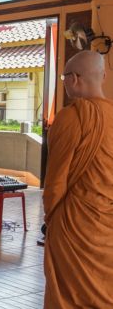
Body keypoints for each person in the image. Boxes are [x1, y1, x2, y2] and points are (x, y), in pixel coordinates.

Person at [44, 50, 113, 308]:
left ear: (73, 79)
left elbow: (56, 180)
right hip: (107, 224)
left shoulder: (71, 117)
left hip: (74, 222)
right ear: (104, 76)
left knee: (70, 295)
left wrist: (51, 217)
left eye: (63, 77)